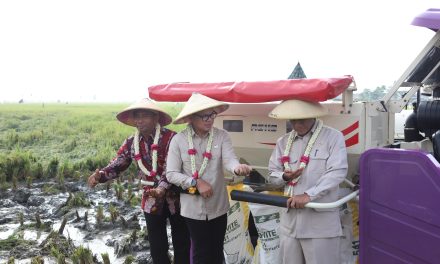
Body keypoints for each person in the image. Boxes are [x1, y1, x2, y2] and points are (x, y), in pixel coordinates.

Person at [87, 98, 190, 264]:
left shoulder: (172, 138)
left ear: (156, 117)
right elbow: (118, 164)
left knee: (182, 243)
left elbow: (172, 169)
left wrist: (162, 188)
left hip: (176, 198)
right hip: (150, 199)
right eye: (137, 116)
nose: (140, 120)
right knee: (157, 247)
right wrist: (101, 176)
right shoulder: (131, 142)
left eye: (145, 116)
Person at [166, 93, 252, 264]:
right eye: (204, 115)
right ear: (191, 118)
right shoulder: (179, 140)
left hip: (218, 205)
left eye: (212, 114)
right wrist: (195, 182)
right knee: (201, 251)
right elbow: (171, 174)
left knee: (217, 250)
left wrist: (237, 168)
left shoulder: (222, 136)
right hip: (192, 208)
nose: (209, 119)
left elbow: (229, 159)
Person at [267, 99, 348, 264]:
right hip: (290, 226)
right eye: (293, 120)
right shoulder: (283, 141)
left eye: (301, 119)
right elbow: (271, 175)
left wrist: (308, 196)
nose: (297, 124)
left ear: (313, 116)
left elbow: (337, 172)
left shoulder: (333, 137)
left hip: (320, 227)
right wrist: (285, 177)